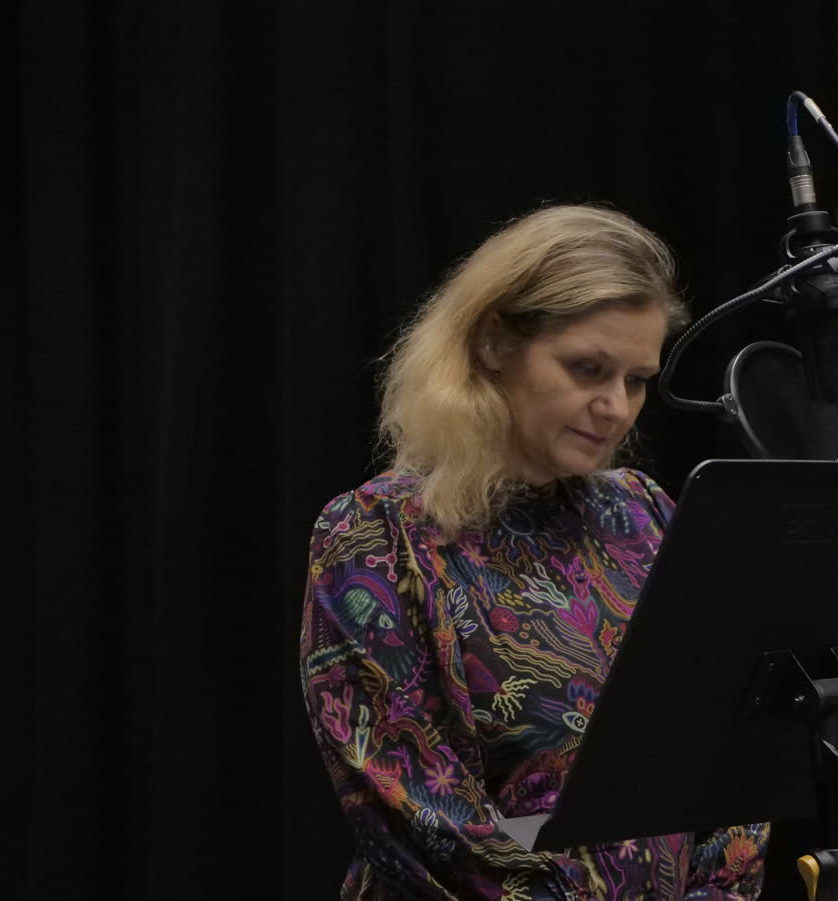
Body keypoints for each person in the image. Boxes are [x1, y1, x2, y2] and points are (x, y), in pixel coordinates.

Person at [298, 205, 770, 899]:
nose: (616, 407)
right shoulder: (376, 533)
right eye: (587, 369)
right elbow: (421, 816)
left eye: (636, 379)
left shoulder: (644, 513)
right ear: (494, 342)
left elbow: (727, 742)